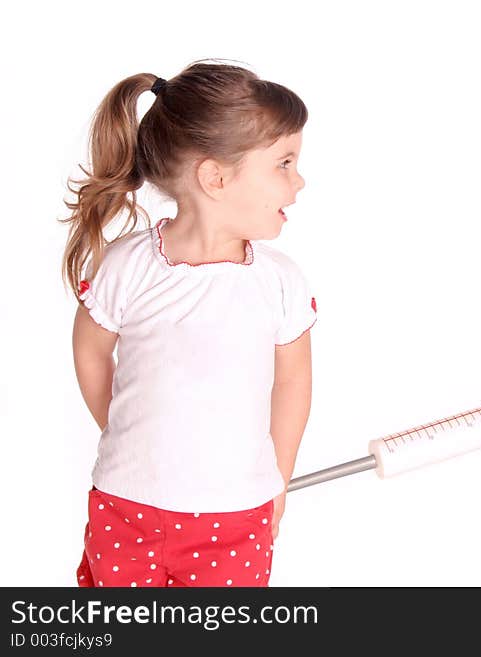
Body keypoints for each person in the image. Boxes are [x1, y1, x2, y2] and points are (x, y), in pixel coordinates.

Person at [62, 61, 316, 587]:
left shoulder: (279, 283)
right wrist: (120, 423)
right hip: (126, 509)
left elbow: (293, 380)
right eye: (284, 164)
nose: (299, 182)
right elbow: (89, 348)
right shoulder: (128, 265)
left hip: (234, 519)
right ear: (215, 177)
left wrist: (278, 480)